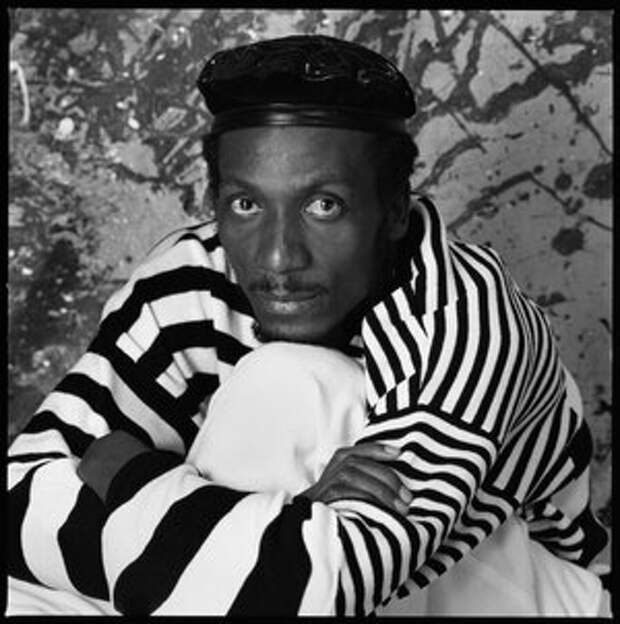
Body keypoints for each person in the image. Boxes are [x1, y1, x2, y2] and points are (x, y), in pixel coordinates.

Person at [7, 34, 609, 616]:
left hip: (518, 591)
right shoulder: (192, 275)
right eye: (246, 205)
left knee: (287, 383)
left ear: (394, 210)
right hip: (275, 573)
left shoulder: (462, 321)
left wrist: (128, 475)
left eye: (324, 206)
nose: (278, 258)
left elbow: (326, 585)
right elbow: (19, 501)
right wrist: (292, 515)